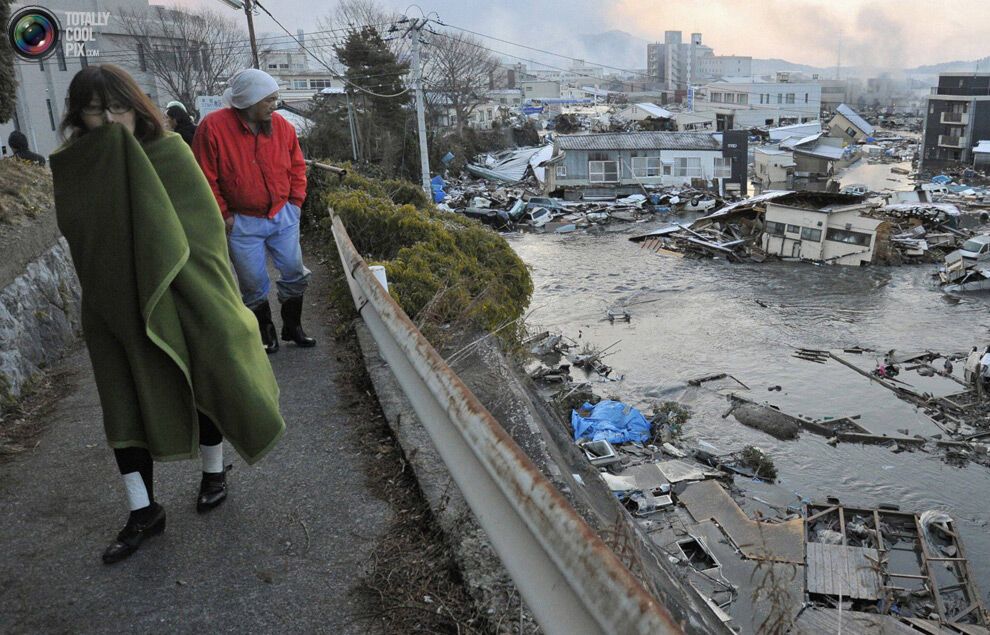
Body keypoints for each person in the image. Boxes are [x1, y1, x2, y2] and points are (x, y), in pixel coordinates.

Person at [49, 65, 285, 564]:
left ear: (137, 109)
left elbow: (202, 235)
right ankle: (143, 511)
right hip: (113, 301)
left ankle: (213, 470)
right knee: (123, 400)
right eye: (94, 111)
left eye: (118, 108)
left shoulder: (170, 153)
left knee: (202, 375)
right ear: (78, 116)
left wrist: (200, 293)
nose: (109, 121)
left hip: (183, 291)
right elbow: (83, 236)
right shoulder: (77, 166)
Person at [192, 68, 315, 354]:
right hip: (241, 221)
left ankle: (293, 327)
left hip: (282, 213)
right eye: (268, 100)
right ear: (248, 101)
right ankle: (265, 332)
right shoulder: (213, 128)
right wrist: (223, 214)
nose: (274, 105)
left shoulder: (282, 127)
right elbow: (204, 176)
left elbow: (297, 165)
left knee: (294, 271)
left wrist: (296, 202)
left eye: (275, 99)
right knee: (252, 282)